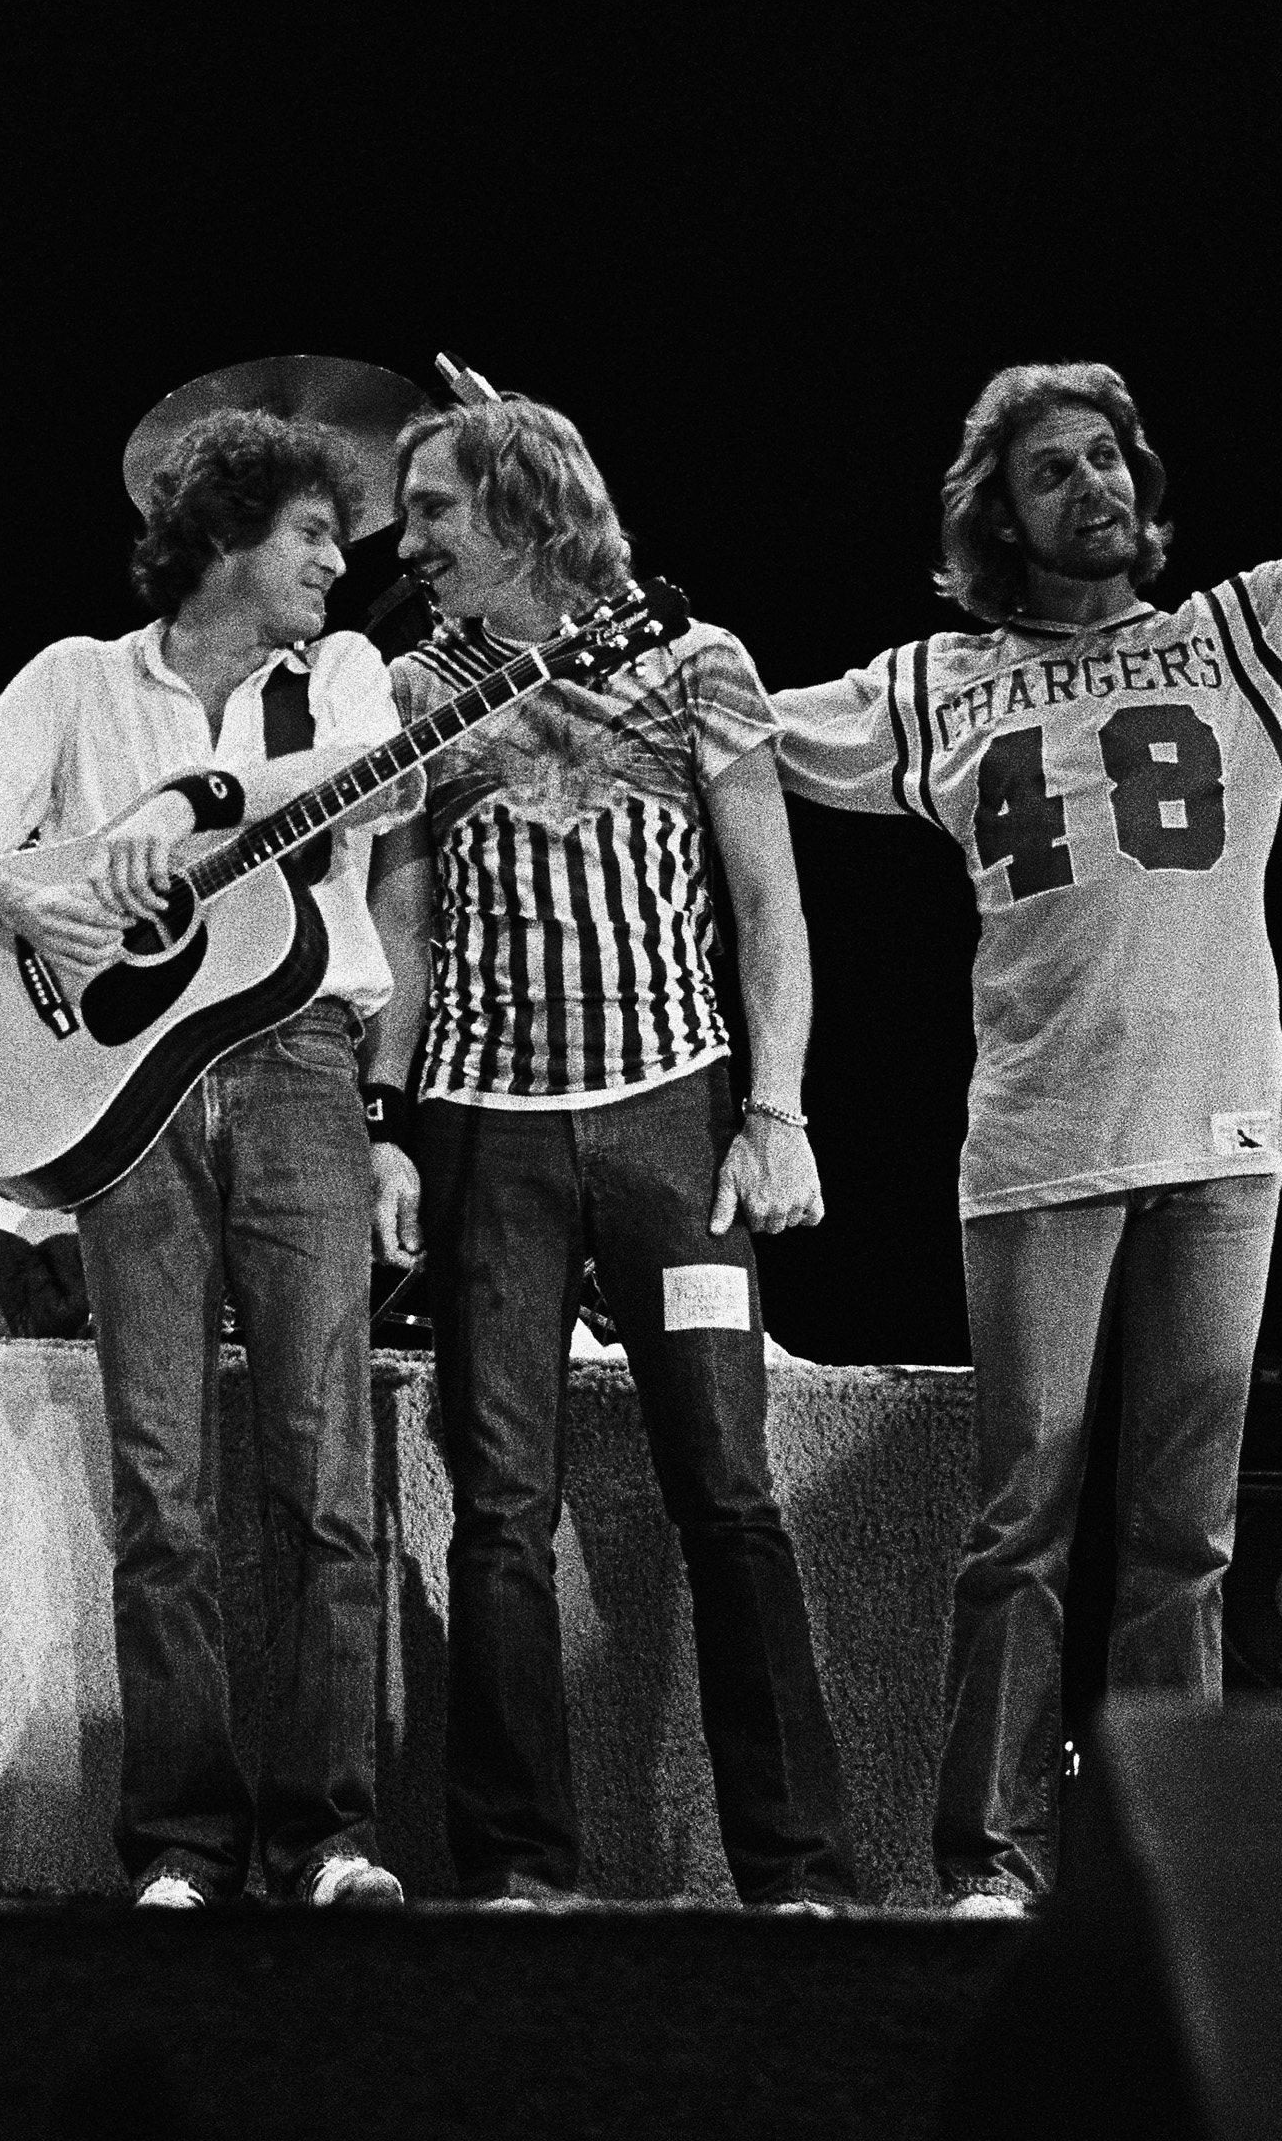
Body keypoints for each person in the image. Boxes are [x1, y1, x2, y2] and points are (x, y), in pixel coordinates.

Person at [769, 175, 1282, 1916]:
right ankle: (989, 1862)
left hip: (1222, 1137)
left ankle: (1172, 1869)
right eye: (1048, 469)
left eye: (1106, 460)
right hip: (1033, 1144)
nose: (1090, 486)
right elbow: (724, 719)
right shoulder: (928, 684)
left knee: (1189, 1534)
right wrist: (569, 577)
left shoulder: (1241, 634)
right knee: (1017, 1528)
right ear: (994, 516)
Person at [0, 406, 412, 1911]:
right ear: (226, 537)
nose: (337, 559)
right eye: (313, 534)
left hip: (302, 1070)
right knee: (161, 1483)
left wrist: (191, 809)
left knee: (326, 1476)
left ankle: (331, 1838)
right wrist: (24, 909)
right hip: (124, 1099)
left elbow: (380, 776)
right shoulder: (75, 677)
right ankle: (181, 1846)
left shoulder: (342, 677)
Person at [366, 395, 862, 1911]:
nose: (411, 541)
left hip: (671, 1116)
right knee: (499, 1509)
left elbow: (766, 901)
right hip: (478, 1127)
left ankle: (798, 1872)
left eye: (437, 508)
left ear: (522, 508)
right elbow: (395, 909)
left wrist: (773, 1110)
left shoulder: (692, 660)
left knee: (729, 1491)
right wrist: (383, 1128)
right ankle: (518, 1869)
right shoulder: (409, 684)